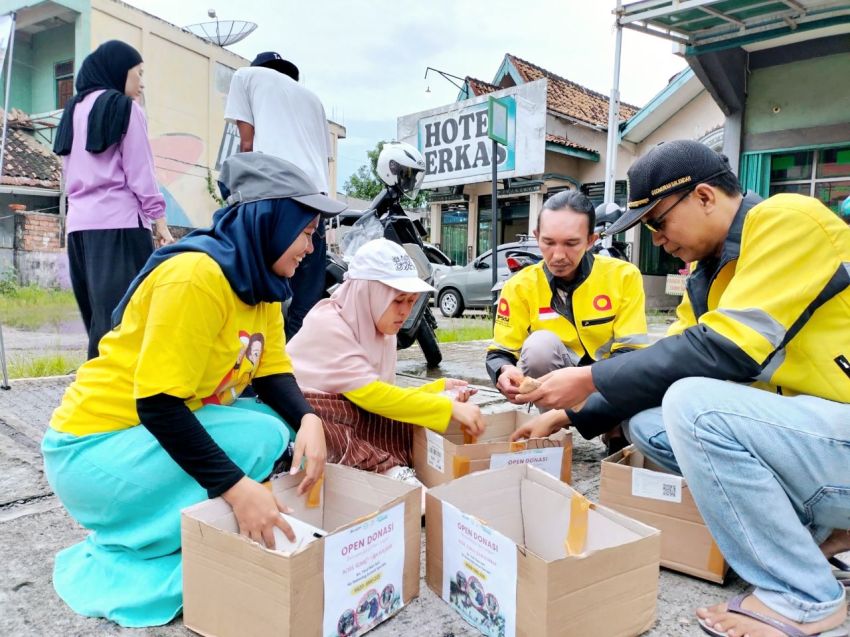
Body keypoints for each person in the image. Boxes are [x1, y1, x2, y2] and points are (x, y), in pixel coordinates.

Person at [515, 140, 850, 637]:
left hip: (836, 432)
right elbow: (669, 357)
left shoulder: (787, 220)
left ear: (705, 197)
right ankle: (820, 534)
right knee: (649, 424)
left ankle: (804, 596)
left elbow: (724, 350)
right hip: (817, 438)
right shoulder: (713, 273)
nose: (657, 239)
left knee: (692, 406)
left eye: (658, 222)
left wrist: (587, 377)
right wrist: (570, 415)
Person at [42, 153, 345, 627]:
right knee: (258, 441)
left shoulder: (261, 283)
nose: (312, 247)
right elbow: (159, 406)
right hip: (92, 453)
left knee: (270, 426)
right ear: (269, 220)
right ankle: (163, 557)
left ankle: (184, 532)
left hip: (138, 442)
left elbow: (269, 372)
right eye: (306, 232)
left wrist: (308, 418)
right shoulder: (197, 278)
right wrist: (237, 489)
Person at [287, 239, 485, 481]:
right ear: (368, 293)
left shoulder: (381, 329)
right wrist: (448, 407)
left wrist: (437, 389)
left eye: (411, 301)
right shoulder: (329, 323)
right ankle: (384, 467)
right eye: (398, 300)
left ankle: (386, 463)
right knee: (335, 419)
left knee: (401, 422)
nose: (405, 312)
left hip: (357, 408)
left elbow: (383, 396)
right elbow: (372, 396)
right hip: (310, 414)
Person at [487, 190, 647, 451]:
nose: (558, 256)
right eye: (548, 242)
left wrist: (588, 381)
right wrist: (505, 371)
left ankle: (612, 426)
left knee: (633, 409)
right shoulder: (519, 286)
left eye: (571, 243)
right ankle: (552, 429)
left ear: (591, 240)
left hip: (606, 380)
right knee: (539, 346)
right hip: (555, 382)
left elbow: (632, 355)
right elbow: (500, 352)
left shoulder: (624, 276)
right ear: (537, 237)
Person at [54, 40, 174, 360]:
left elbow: (68, 173)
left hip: (78, 230)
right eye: (139, 74)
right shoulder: (125, 108)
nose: (141, 83)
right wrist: (159, 221)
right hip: (120, 227)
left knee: (98, 323)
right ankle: (107, 402)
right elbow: (140, 174)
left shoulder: (73, 110)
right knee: (124, 325)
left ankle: (98, 398)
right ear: (120, 72)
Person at [224, 51, 333, 340]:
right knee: (306, 301)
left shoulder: (245, 77)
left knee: (257, 291)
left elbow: (246, 146)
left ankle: (256, 373)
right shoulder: (314, 100)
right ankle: (295, 371)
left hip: (274, 195)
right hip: (315, 201)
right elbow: (325, 160)